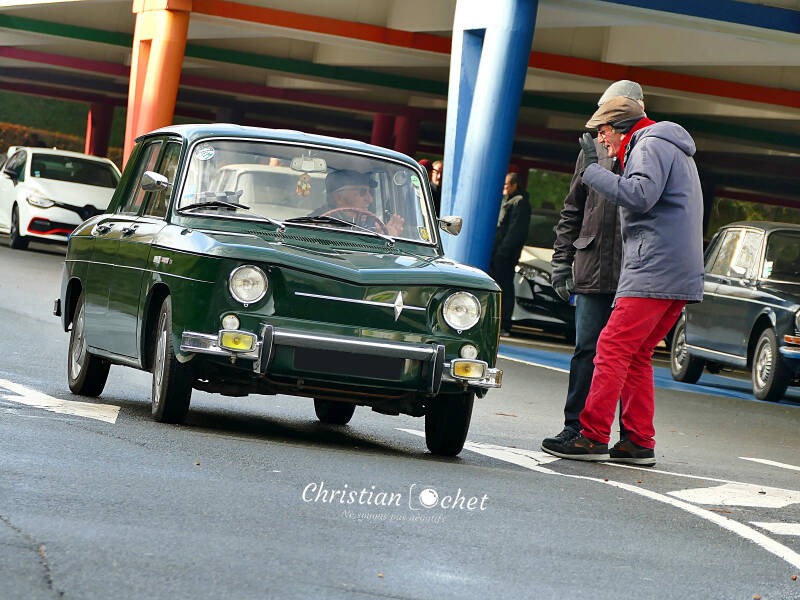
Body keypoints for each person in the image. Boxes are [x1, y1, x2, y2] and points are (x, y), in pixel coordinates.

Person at [541, 96, 704, 466]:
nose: (601, 141)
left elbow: (639, 195)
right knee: (638, 354)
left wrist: (592, 170)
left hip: (653, 269)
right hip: (677, 271)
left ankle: (592, 436)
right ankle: (637, 442)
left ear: (620, 128)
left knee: (611, 348)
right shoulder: (670, 146)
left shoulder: (649, 145)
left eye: (603, 132)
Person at [542, 80, 644, 447]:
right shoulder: (591, 151)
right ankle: (575, 427)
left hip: (632, 271)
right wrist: (561, 261)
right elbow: (572, 209)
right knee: (586, 351)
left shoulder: (646, 147)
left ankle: (628, 436)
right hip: (591, 266)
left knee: (628, 356)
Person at [490, 172, 531, 336]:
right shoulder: (505, 201)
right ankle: (497, 323)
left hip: (505, 255)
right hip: (498, 253)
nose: (504, 188)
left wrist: (502, 252)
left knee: (504, 287)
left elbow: (515, 232)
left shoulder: (519, 203)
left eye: (506, 185)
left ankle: (504, 324)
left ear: (514, 185)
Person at [321, 170, 404, 236]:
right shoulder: (320, 223)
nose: (370, 199)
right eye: (362, 192)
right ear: (338, 197)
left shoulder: (371, 222)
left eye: (370, 192)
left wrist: (385, 238)